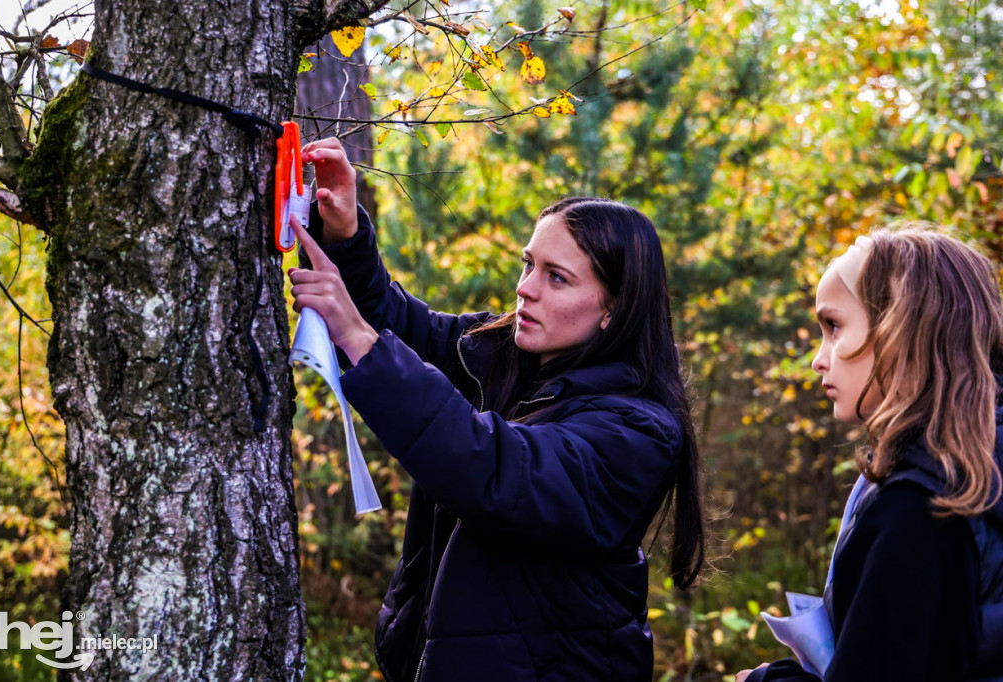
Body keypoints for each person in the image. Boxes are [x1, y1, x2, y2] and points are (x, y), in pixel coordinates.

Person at [287, 138, 706, 682]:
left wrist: (358, 338)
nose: (524, 289)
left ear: (614, 310)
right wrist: (344, 234)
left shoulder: (639, 432)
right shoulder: (507, 355)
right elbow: (401, 324)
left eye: (556, 277)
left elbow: (491, 468)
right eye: (529, 264)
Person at [736, 227, 1003, 682]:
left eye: (834, 326)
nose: (818, 360)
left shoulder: (921, 505)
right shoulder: (983, 467)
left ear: (902, 328)